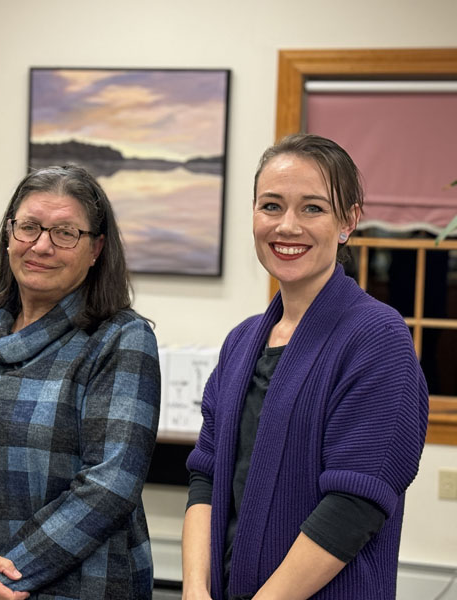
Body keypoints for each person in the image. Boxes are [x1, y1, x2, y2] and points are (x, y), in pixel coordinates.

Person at [181, 134, 429, 600]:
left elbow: (355, 503)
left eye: (312, 208)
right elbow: (206, 476)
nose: (287, 226)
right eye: (271, 206)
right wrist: (194, 589)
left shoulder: (377, 337)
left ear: (348, 221)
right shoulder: (241, 342)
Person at [0, 165, 160, 599]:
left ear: (96, 249)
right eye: (29, 227)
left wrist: (2, 581)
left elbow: (110, 486)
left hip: (78, 587)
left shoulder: (121, 338)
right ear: (9, 234)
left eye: (65, 233)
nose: (41, 246)